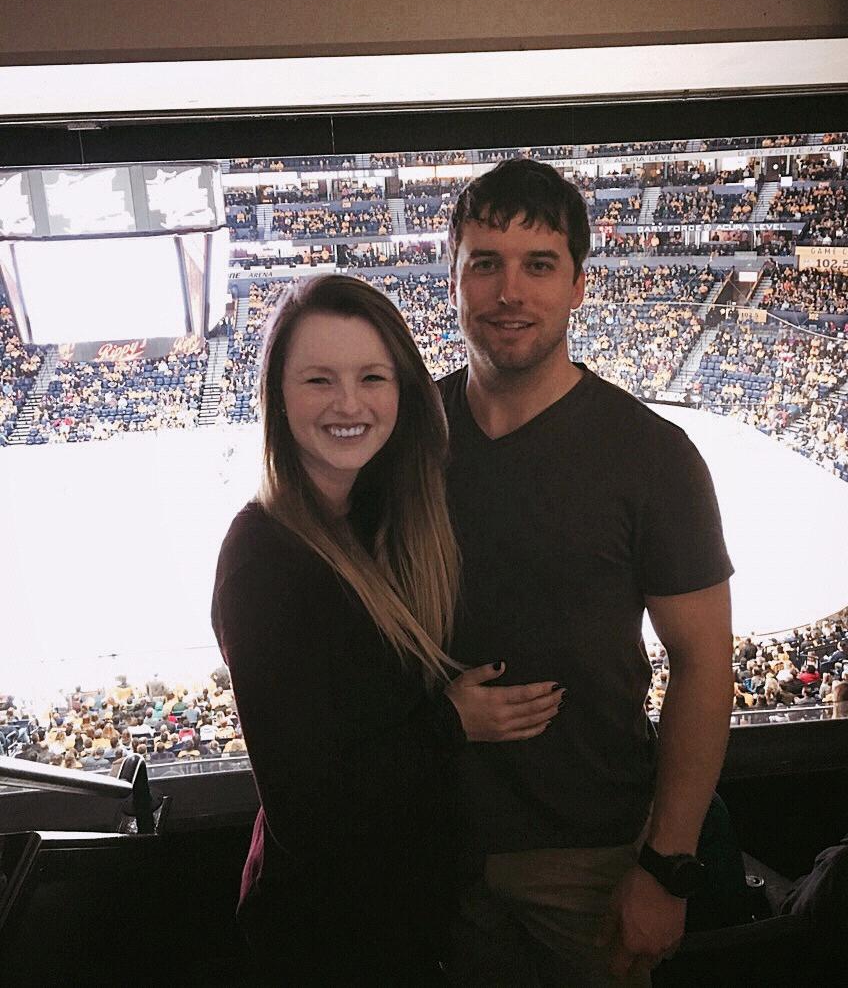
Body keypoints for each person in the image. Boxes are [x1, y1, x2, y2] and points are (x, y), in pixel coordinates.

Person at [211, 274, 560, 985]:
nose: (349, 403)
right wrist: (452, 722)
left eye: (372, 377)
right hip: (330, 937)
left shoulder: (379, 521)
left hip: (413, 914)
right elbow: (307, 811)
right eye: (319, 379)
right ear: (278, 395)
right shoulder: (264, 558)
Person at [438, 159, 735, 987]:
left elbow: (705, 663)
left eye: (539, 264)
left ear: (578, 285)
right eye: (485, 262)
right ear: (452, 277)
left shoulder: (653, 457)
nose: (509, 291)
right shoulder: (408, 438)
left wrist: (665, 866)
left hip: (587, 861)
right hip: (428, 847)